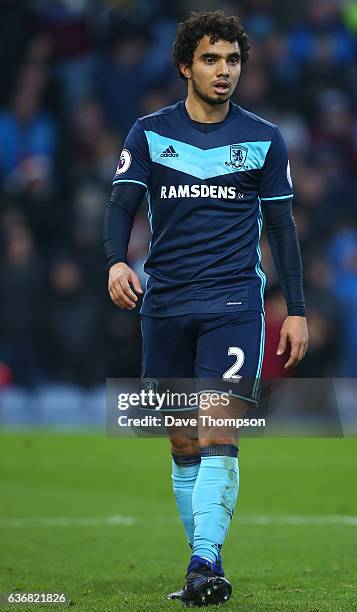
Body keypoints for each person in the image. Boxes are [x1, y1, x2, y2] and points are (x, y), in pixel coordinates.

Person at [103, 10, 308, 607]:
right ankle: (203, 564)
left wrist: (294, 307)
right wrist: (117, 261)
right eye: (212, 59)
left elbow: (284, 229)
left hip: (233, 302)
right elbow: (119, 207)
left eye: (233, 60)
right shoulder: (148, 134)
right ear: (185, 66)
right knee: (182, 442)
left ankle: (205, 563)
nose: (224, 71)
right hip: (163, 300)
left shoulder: (264, 138)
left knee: (220, 431)